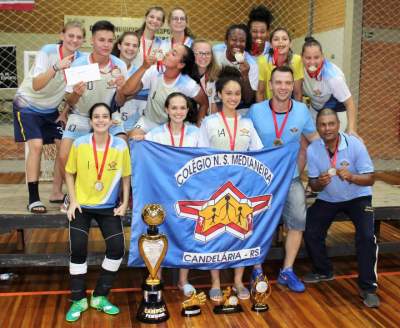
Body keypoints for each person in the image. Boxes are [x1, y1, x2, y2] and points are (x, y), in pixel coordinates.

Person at [246, 66, 319, 293]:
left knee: (298, 220)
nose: (283, 87)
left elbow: (314, 140)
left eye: (288, 83)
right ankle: (257, 268)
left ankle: (287, 270)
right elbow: (245, 141)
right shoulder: (256, 111)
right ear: (270, 85)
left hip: (290, 178)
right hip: (261, 180)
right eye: (278, 82)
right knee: (257, 223)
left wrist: (339, 150)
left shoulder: (301, 110)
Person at [198, 66, 263, 302]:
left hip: (242, 187)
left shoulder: (247, 124)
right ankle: (215, 282)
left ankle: (237, 281)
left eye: (237, 93)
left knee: (241, 233)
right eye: (228, 93)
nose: (233, 97)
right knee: (216, 234)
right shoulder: (208, 122)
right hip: (215, 188)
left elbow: (259, 154)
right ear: (220, 95)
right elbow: (200, 155)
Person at [304, 108, 379, 308]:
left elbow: (371, 177)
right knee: (310, 228)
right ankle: (323, 270)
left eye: (331, 124)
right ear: (318, 128)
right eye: (323, 124)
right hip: (329, 197)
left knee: (365, 235)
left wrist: (353, 177)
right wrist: (319, 183)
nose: (327, 128)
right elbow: (312, 184)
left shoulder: (355, 145)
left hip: (358, 197)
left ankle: (368, 287)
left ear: (338, 125)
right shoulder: (313, 149)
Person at [64, 103, 131, 322]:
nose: (101, 120)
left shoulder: (120, 146)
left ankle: (100, 296)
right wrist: (73, 201)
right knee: (79, 249)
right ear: (90, 121)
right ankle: (78, 299)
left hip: (107, 207)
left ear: (112, 121)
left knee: (117, 248)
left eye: (105, 116)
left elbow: (126, 177)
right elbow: (69, 173)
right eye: (96, 117)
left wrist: (125, 202)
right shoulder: (80, 144)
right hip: (82, 206)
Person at [13, 21, 85, 213]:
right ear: (62, 35)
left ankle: (58, 192)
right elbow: (37, 85)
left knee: (65, 145)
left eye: (79, 37)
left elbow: (72, 94)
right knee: (35, 146)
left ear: (83, 40)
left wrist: (64, 111)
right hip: (27, 105)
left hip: (52, 110)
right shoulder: (48, 51)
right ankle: (34, 199)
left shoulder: (81, 59)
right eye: (71, 35)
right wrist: (56, 67)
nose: (74, 40)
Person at [121, 44, 208, 135]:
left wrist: (199, 128)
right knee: (133, 139)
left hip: (174, 125)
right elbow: (126, 91)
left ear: (180, 64)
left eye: (173, 54)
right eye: (170, 51)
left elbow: (204, 104)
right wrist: (143, 67)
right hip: (149, 121)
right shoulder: (154, 71)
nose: (166, 53)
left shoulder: (188, 84)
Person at [301, 36, 358, 136]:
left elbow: (350, 103)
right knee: (311, 140)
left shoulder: (333, 77)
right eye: (308, 58)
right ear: (302, 57)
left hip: (336, 112)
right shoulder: (298, 69)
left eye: (316, 57)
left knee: (330, 144)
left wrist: (351, 129)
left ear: (322, 57)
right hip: (315, 109)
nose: (312, 62)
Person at [212, 24, 258, 111]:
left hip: (238, 104)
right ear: (226, 41)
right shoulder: (215, 52)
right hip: (215, 100)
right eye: (233, 40)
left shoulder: (251, 64)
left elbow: (248, 100)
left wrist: (245, 75)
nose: (237, 44)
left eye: (242, 41)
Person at [112, 32, 147, 134]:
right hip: (108, 125)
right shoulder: (107, 67)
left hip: (132, 126)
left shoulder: (140, 73)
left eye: (135, 46)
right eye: (127, 44)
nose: (131, 48)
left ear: (138, 50)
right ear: (119, 46)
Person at [256, 27, 303, 102]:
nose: (280, 42)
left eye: (284, 39)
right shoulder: (263, 61)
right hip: (269, 105)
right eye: (276, 39)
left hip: (288, 105)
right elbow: (260, 92)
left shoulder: (297, 60)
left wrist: (298, 112)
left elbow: (297, 93)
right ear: (271, 45)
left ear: (290, 44)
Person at [192, 39, 220, 115]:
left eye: (208, 53)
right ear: (191, 55)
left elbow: (214, 108)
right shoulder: (185, 77)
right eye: (200, 53)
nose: (204, 57)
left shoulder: (217, 77)